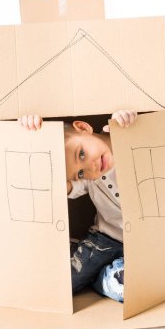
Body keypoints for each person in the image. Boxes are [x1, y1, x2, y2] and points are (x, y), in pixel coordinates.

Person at [19, 110, 137, 302]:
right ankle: (98, 269)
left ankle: (109, 275)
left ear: (83, 128)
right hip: (106, 239)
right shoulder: (90, 179)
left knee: (140, 283)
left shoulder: (123, 132)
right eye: (80, 174)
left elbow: (144, 131)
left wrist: (126, 119)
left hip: (143, 240)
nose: (90, 167)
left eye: (81, 153)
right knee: (65, 282)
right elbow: (54, 183)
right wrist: (32, 131)